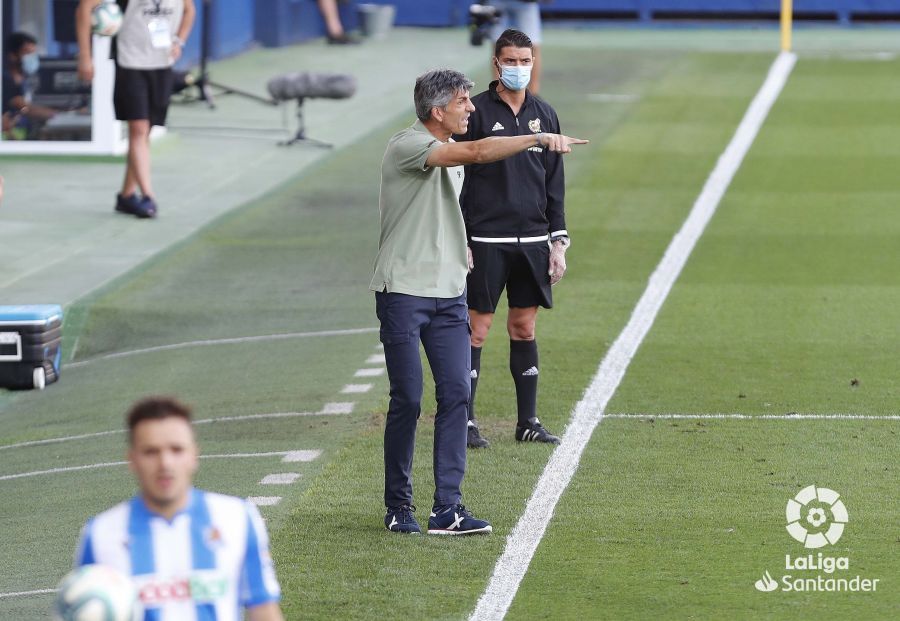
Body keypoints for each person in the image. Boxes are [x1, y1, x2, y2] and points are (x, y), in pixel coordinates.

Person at [371, 68, 586, 534]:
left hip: (449, 293)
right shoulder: (408, 146)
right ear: (437, 111)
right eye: (463, 102)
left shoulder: (448, 150)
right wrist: (536, 139)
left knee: (457, 395)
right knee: (408, 397)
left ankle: (447, 509)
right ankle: (398, 507)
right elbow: (477, 151)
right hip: (405, 291)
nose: (472, 108)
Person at [454, 29, 570, 449]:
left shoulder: (546, 113)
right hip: (485, 240)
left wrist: (558, 242)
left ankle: (528, 421)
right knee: (475, 330)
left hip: (534, 241)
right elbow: (457, 177)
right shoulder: (476, 113)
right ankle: (465, 422)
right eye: (511, 61)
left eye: (525, 60)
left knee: (524, 327)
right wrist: (460, 237)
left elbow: (554, 183)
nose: (518, 67)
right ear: (495, 64)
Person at [74, 397, 285, 620]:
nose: (165, 463)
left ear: (194, 455)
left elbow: (264, 610)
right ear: (132, 460)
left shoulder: (238, 519)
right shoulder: (100, 535)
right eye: (151, 452)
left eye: (176, 450)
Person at [76, 0, 196, 219]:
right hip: (131, 64)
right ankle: (148, 195)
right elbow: (84, 7)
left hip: (162, 64)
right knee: (138, 129)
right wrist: (86, 56)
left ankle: (126, 195)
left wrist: (179, 40)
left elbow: (189, 11)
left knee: (144, 131)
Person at [2, 31, 56, 139]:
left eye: (33, 53)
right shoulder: (6, 80)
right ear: (13, 55)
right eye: (27, 53)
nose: (31, 58)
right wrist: (57, 116)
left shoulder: (28, 81)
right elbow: (25, 107)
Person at [486, 1, 543, 94]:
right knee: (497, 46)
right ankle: (497, 94)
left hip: (525, 2)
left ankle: (533, 95)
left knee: (533, 46)